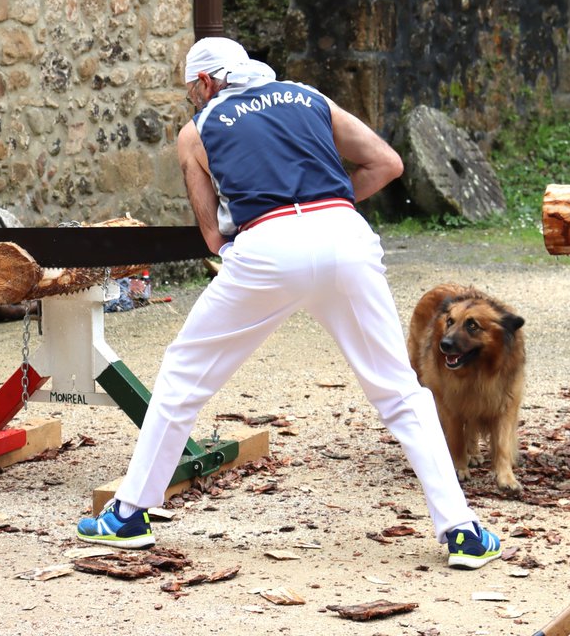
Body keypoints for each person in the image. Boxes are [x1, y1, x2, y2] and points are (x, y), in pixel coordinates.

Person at [76, 37, 502, 570]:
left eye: (191, 91)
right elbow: (387, 163)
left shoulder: (197, 130)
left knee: (184, 373)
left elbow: (212, 235)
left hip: (269, 247)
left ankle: (127, 515)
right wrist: (328, 202)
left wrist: (257, 238)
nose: (192, 101)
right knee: (398, 391)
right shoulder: (309, 97)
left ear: (205, 82)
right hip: (345, 237)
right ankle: (462, 532)